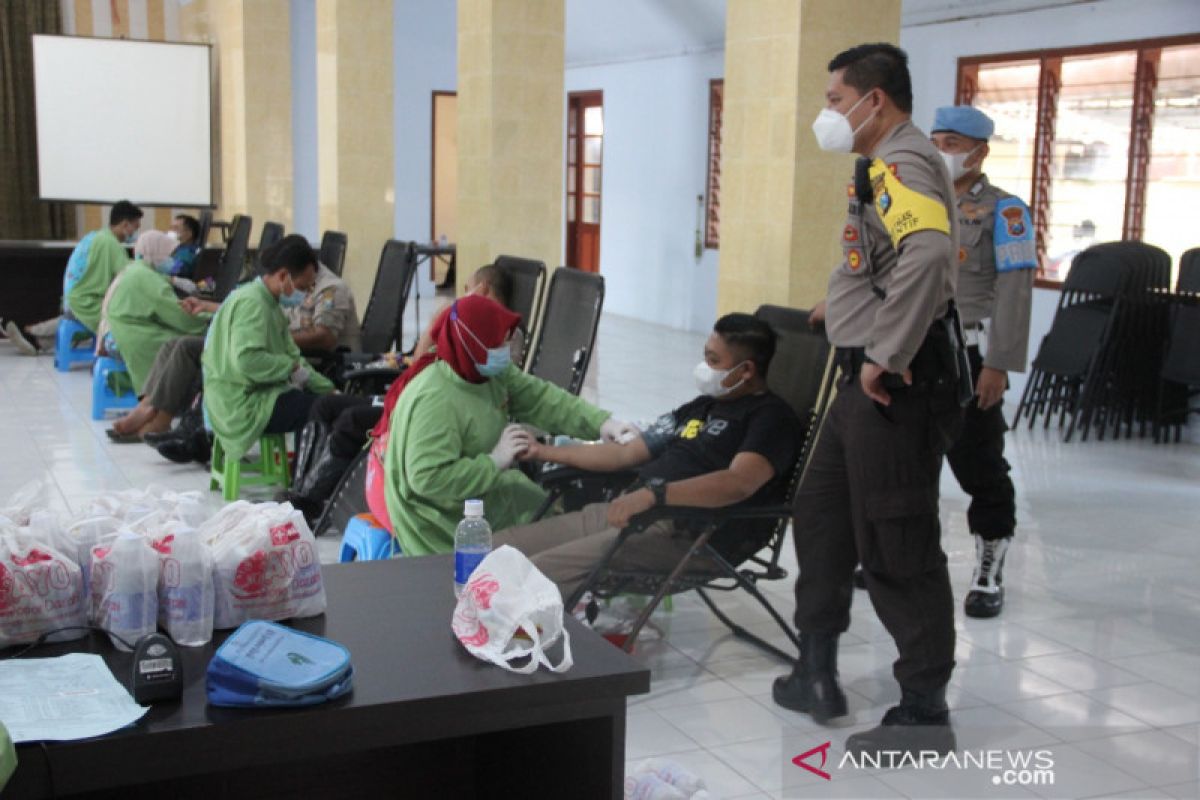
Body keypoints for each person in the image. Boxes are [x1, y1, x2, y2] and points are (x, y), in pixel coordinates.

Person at [771, 44, 963, 758]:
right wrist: (844, 304)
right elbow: (887, 258)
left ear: (872, 100)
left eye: (832, 99)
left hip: (897, 386)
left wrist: (885, 352)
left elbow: (932, 255)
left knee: (895, 540)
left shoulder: (901, 162)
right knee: (820, 515)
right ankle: (813, 669)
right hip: (863, 379)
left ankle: (924, 712)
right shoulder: (881, 164)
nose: (827, 112)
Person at [493, 313, 802, 601]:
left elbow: (738, 483)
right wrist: (543, 451)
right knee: (498, 549)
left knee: (532, 573)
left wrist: (656, 495)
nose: (704, 367)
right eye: (705, 355)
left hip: (689, 534)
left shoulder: (770, 418)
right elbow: (626, 453)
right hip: (629, 510)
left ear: (746, 370)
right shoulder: (701, 407)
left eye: (714, 360)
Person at [377, 294, 632, 556]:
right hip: (439, 521)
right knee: (556, 541)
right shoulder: (435, 400)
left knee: (547, 512)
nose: (504, 351)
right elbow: (426, 478)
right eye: (497, 344)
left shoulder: (487, 372)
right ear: (472, 344)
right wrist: (493, 461)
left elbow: (542, 399)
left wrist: (602, 423)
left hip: (481, 492)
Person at [281, 263, 518, 525]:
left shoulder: (497, 335)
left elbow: (421, 362)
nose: (461, 296)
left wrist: (440, 319)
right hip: (411, 397)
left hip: (423, 413)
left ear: (480, 289)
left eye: (466, 289)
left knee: (350, 421)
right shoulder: (464, 324)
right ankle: (303, 494)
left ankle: (310, 502)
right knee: (325, 405)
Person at [928, 106, 1035, 618]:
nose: (941, 152)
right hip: (917, 349)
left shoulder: (1004, 211)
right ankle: (908, 560)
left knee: (979, 466)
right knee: (910, 460)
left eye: (951, 142)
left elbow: (1014, 291)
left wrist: (999, 363)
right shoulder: (914, 202)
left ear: (979, 150)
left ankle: (989, 568)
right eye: (936, 141)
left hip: (971, 355)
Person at [202, 235, 334, 464]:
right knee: (320, 411)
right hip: (241, 403)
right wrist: (287, 367)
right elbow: (247, 361)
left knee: (326, 402)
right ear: (283, 276)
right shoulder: (254, 305)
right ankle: (306, 477)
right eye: (303, 287)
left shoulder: (268, 303)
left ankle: (303, 472)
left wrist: (328, 389)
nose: (306, 295)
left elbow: (293, 356)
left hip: (247, 394)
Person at [103, 232, 214, 438]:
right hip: (139, 336)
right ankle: (152, 409)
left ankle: (149, 407)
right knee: (178, 346)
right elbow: (182, 318)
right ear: (155, 253)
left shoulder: (140, 271)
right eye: (169, 254)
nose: (172, 260)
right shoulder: (146, 278)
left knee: (178, 344)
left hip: (124, 334)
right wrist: (209, 317)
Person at [4, 200, 142, 354]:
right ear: (125, 225)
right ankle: (33, 331)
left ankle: (35, 340)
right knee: (123, 318)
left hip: (74, 297)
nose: (135, 234)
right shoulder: (112, 244)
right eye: (135, 228)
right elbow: (129, 275)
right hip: (88, 302)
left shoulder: (96, 236)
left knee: (78, 320)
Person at [167, 214, 202, 279]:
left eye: (176, 228)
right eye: (171, 228)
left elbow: (174, 271)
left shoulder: (188, 253)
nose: (171, 231)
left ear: (189, 234)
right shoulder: (179, 249)